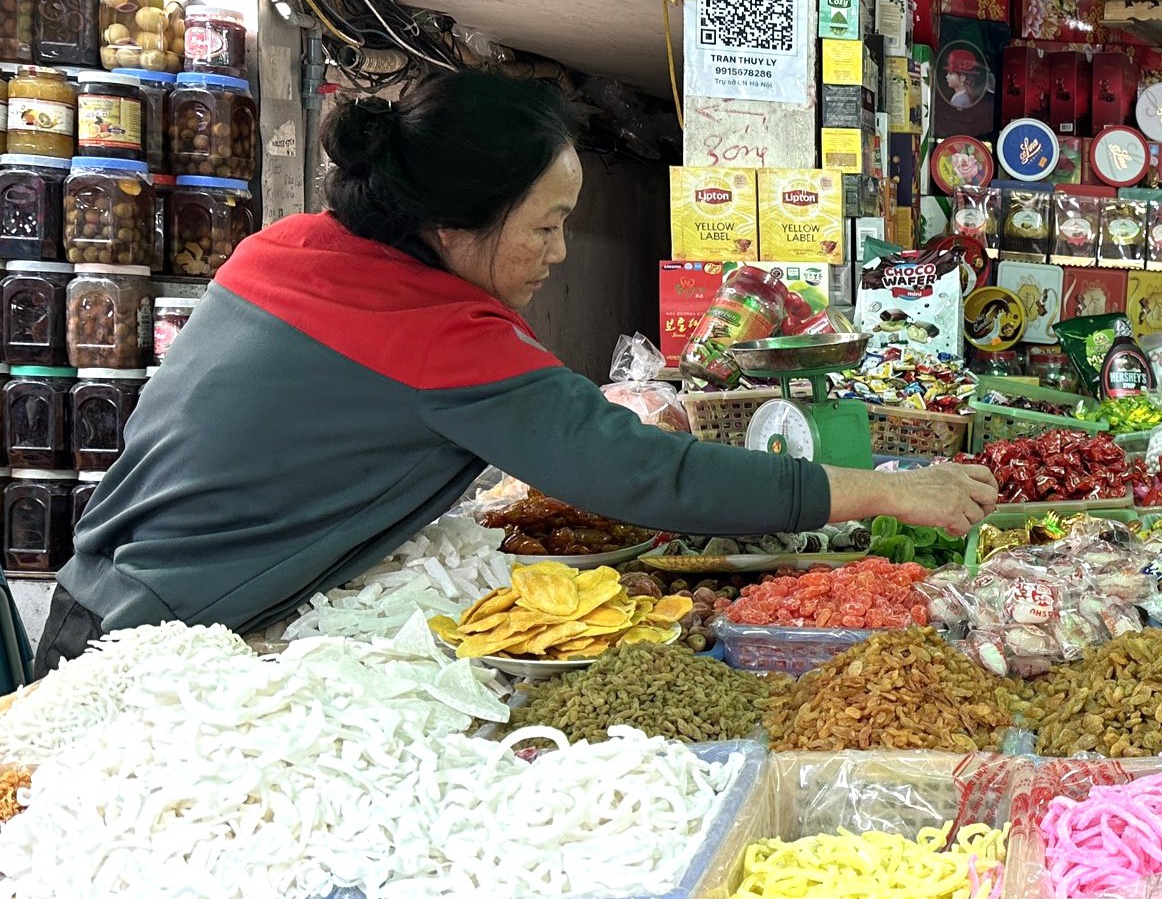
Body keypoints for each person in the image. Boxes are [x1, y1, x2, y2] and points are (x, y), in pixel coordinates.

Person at [38, 72, 1000, 677]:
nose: (562, 252)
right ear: (453, 225)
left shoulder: (285, 248)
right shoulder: (428, 332)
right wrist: (887, 491)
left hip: (104, 596)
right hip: (151, 652)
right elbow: (646, 477)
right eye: (544, 225)